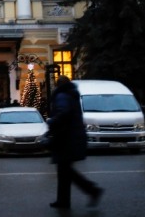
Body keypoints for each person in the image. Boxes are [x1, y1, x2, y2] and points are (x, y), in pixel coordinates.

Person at [46, 75, 104, 210]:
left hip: (66, 138)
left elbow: (63, 112)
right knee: (64, 170)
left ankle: (91, 190)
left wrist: (52, 121)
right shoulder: (72, 94)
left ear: (57, 85)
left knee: (65, 170)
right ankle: (63, 201)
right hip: (72, 137)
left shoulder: (62, 95)